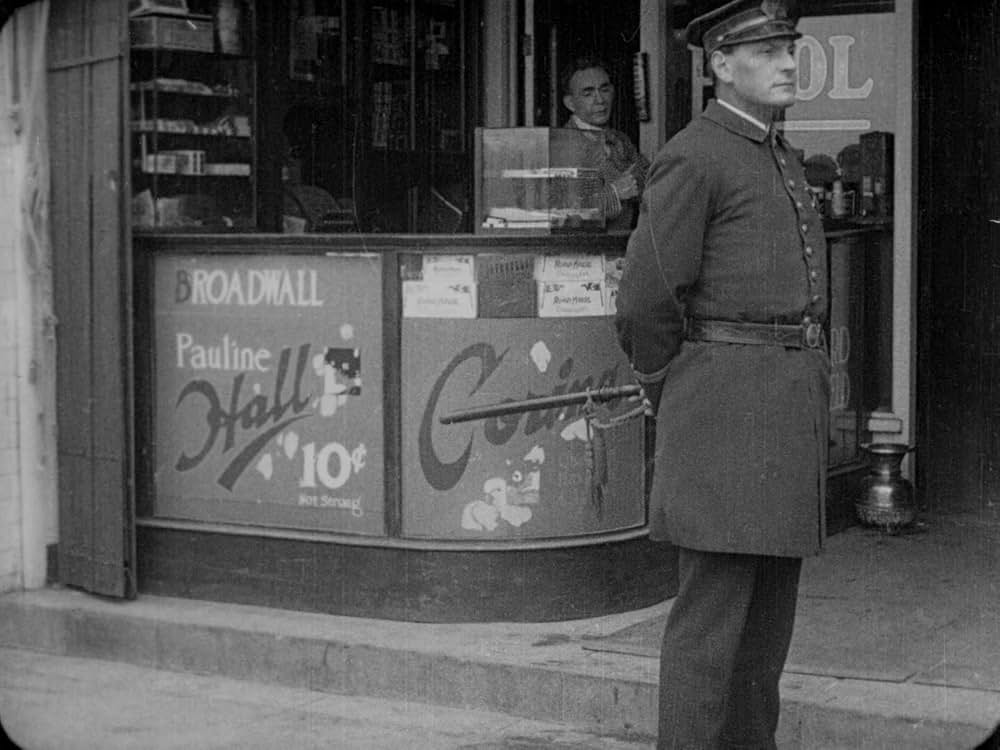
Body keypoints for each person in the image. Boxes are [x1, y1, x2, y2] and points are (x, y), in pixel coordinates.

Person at [614, 1, 829, 747]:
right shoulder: (697, 153)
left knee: (764, 640)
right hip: (722, 415)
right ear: (719, 66)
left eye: (789, 48)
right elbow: (646, 298)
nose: (787, 61)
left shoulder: (777, 152)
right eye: (767, 50)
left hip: (779, 414)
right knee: (710, 634)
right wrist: (665, 385)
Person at [561, 56, 649, 232]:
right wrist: (615, 193)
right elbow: (563, 214)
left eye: (604, 89)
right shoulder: (561, 146)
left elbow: (649, 177)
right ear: (570, 103)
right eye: (588, 93)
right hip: (581, 253)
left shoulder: (620, 139)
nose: (600, 100)